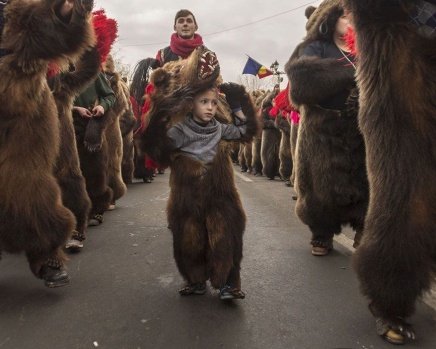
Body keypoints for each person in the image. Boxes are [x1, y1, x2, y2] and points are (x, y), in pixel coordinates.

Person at [285, 0, 369, 256]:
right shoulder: (315, 47)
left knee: (366, 183)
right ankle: (321, 234)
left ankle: (364, 229)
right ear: (331, 19)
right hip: (323, 130)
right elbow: (302, 84)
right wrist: (353, 73)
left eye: (354, 16)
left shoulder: (368, 49)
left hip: (361, 128)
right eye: (345, 16)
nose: (350, 20)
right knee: (320, 186)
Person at [72, 70, 116, 227]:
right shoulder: (56, 69)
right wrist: (74, 108)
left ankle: (97, 207)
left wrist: (103, 106)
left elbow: (110, 96)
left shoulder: (94, 71)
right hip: (63, 123)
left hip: (90, 122)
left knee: (94, 167)